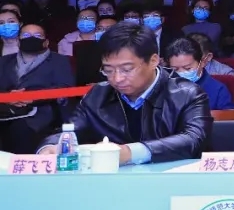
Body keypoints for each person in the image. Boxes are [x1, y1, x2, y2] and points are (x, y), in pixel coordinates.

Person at [38, 22, 211, 164]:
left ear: (153, 61)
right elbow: (70, 130)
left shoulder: (187, 93)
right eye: (108, 70)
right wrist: (50, 146)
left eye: (127, 69)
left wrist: (130, 152)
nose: (117, 79)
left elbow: (193, 140)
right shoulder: (98, 95)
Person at [0, 24, 74, 153]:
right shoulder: (4, 61)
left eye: (37, 35)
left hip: (41, 112)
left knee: (20, 129)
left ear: (46, 42)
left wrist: (32, 97)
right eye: (26, 35)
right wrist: (9, 97)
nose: (31, 38)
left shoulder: (59, 61)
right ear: (18, 40)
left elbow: (65, 87)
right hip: (5, 110)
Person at [164, 36, 234, 111]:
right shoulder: (164, 87)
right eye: (175, 69)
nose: (181, 73)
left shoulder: (218, 90)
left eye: (188, 68)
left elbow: (228, 117)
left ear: (202, 63)